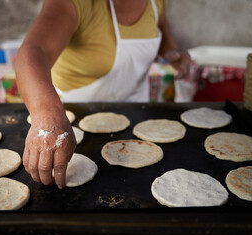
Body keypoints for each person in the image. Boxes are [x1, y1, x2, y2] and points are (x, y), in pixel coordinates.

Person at [14, 0, 191, 189]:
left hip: (136, 111)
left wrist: (171, 50)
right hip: (70, 118)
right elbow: (32, 52)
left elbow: (160, 26)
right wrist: (47, 115)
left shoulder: (156, 2)